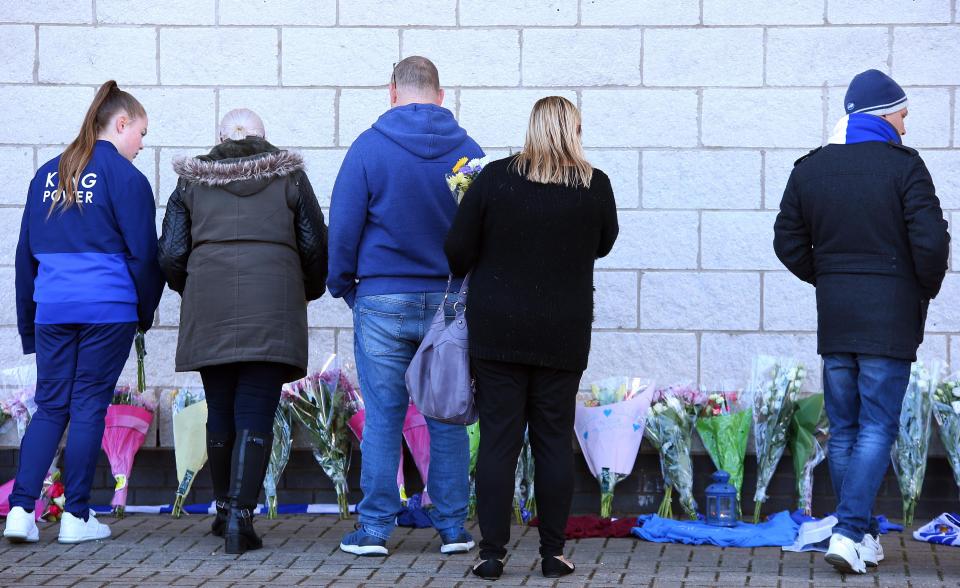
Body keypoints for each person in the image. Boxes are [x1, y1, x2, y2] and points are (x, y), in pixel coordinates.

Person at [774, 69, 950, 575]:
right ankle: (849, 532)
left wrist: (829, 278)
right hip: (888, 320)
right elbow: (932, 243)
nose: (905, 126)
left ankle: (864, 534)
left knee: (846, 429)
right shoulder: (905, 168)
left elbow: (787, 243)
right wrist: (916, 289)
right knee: (877, 427)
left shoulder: (810, 169)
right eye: (901, 114)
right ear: (880, 114)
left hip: (837, 318)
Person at [445, 96, 619, 580]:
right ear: (574, 131)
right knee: (552, 442)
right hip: (562, 333)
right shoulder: (594, 186)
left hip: (498, 332)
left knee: (499, 441)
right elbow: (603, 243)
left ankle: (491, 553)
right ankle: (553, 554)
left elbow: (456, 252)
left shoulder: (494, 179)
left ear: (532, 129)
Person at [327, 56, 482, 557]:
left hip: (381, 299)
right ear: (441, 94)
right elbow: (484, 231)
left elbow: (344, 227)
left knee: (384, 416)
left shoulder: (369, 148)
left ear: (392, 91)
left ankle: (373, 531)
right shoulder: (469, 153)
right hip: (449, 303)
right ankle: (454, 529)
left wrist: (344, 286)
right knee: (447, 413)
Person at [158, 108, 328, 555]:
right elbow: (314, 245)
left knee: (221, 409)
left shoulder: (192, 182)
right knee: (255, 410)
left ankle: (221, 510)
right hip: (272, 303)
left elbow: (172, 252)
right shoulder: (289, 178)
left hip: (209, 304)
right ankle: (241, 519)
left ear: (218, 139)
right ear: (264, 138)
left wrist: (193, 285)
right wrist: (302, 291)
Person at [4, 80, 164, 545]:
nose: (140, 144)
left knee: (49, 406)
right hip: (107, 308)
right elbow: (143, 256)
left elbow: (24, 258)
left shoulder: (47, 174)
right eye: (141, 133)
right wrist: (144, 311)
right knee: (89, 403)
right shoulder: (127, 178)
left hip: (53, 307)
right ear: (120, 123)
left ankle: (20, 511)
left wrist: (29, 324)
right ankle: (76, 516)